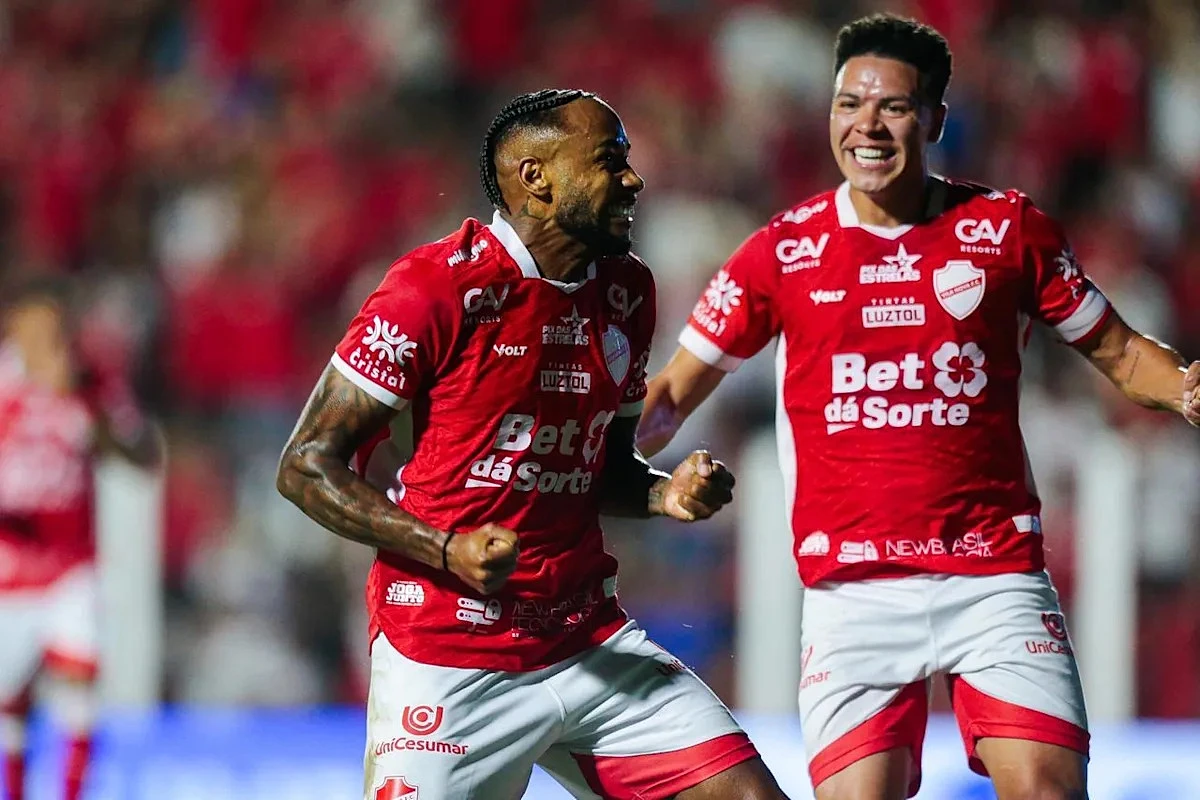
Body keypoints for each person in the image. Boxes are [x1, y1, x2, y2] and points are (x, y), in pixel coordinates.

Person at [638, 14, 1200, 800]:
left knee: (1047, 789)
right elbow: (670, 394)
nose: (866, 125)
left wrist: (1186, 387)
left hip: (992, 575)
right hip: (852, 592)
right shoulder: (783, 252)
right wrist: (583, 458)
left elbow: (1121, 352)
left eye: (893, 107)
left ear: (935, 119)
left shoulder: (1007, 231)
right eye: (848, 104)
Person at [276, 88, 789, 800]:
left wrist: (662, 492)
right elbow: (305, 466)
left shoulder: (627, 291)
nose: (634, 179)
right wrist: (446, 549)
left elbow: (604, 470)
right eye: (609, 161)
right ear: (535, 177)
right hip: (449, 653)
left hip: (586, 639)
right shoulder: (433, 288)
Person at [0, 279, 159, 800]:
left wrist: (94, 413)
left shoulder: (89, 386)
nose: (44, 341)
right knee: (11, 703)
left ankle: (72, 792)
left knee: (79, 683)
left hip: (72, 567)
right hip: (9, 570)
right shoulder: (4, 388)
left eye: (53, 330)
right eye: (33, 329)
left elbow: (143, 456)